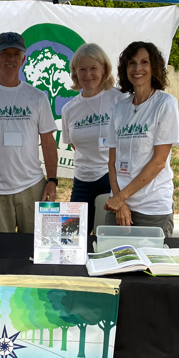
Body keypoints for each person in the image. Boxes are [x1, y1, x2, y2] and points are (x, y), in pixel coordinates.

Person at [0, 31, 59, 233]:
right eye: (5, 53)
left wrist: (52, 181)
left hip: (32, 187)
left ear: (24, 58)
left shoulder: (38, 97)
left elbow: (48, 142)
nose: (10, 59)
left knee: (35, 249)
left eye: (16, 53)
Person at [103, 41, 179, 238]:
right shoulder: (119, 109)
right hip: (119, 206)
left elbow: (159, 161)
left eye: (144, 62)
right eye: (132, 63)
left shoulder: (165, 104)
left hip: (152, 208)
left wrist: (121, 197)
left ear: (154, 68)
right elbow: (111, 162)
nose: (138, 68)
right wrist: (120, 202)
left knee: (151, 267)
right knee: (113, 263)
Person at [61, 42, 126, 234]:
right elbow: (75, 144)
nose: (88, 75)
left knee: (107, 236)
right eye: (82, 69)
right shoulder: (69, 109)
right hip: (82, 180)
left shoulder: (120, 99)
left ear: (104, 69)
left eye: (93, 68)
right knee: (71, 235)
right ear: (75, 72)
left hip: (111, 179)